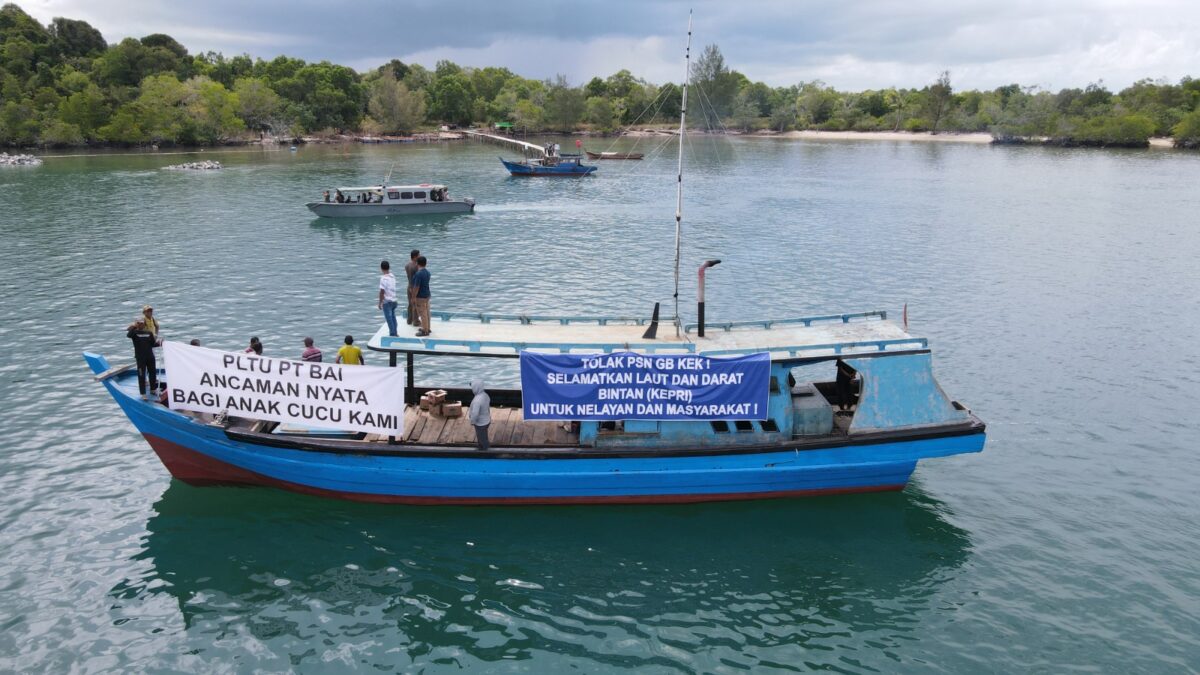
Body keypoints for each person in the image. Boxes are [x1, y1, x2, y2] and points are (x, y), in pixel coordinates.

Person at [127, 317, 158, 398]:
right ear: (137, 324)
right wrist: (134, 326)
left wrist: (161, 343)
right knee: (141, 374)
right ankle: (143, 393)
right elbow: (128, 335)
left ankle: (153, 389)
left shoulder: (149, 333)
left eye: (142, 323)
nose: (141, 324)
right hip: (141, 358)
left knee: (153, 373)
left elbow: (153, 344)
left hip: (150, 356)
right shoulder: (134, 333)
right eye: (139, 323)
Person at [411, 255, 432, 336]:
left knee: (422, 313)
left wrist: (413, 297)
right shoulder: (427, 273)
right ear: (425, 264)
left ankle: (425, 330)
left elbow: (416, 287)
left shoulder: (418, 274)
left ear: (417, 263)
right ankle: (427, 327)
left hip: (420, 297)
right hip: (427, 295)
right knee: (427, 312)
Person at [469, 379, 491, 451]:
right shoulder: (485, 395)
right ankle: (485, 445)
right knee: (484, 436)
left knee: (481, 438)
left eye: (473, 387)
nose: (472, 389)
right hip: (486, 419)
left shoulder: (477, 401)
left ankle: (484, 451)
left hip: (480, 423)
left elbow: (475, 414)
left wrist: (472, 421)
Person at [378, 260, 398, 336]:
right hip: (394, 300)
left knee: (389, 319)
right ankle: (395, 332)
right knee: (393, 317)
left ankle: (393, 334)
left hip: (387, 302)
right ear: (389, 267)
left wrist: (380, 302)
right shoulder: (392, 276)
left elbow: (382, 292)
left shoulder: (383, 278)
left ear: (381, 268)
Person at [404, 249, 420, 326]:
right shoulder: (416, 267)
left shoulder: (407, 265)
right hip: (414, 287)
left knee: (410, 304)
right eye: (418, 255)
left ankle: (409, 319)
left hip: (409, 286)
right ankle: (416, 321)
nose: (419, 256)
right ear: (414, 257)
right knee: (415, 304)